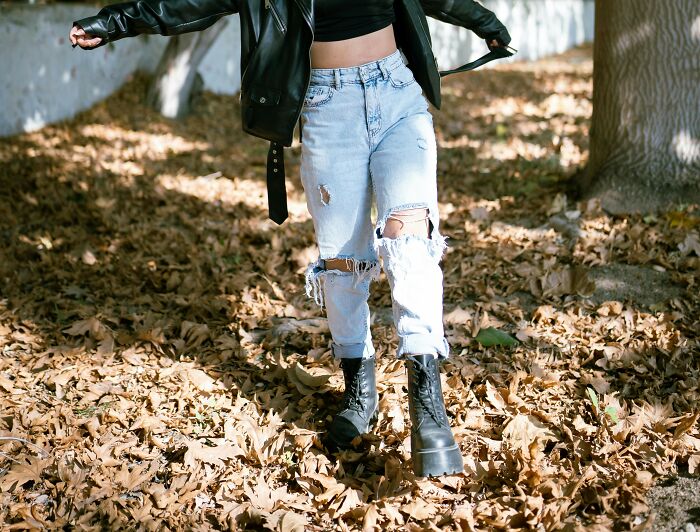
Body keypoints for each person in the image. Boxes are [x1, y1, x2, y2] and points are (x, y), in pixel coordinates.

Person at [70, 0, 512, 477]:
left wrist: (485, 23)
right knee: (342, 264)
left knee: (410, 244)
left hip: (397, 94)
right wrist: (114, 22)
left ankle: (428, 408)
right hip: (327, 107)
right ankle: (359, 389)